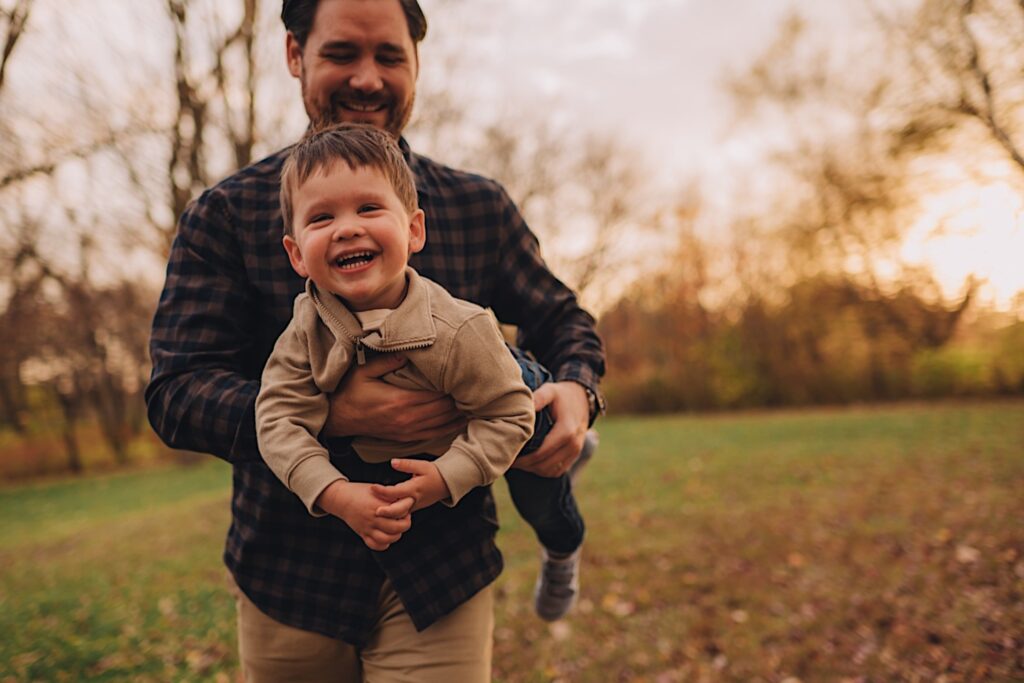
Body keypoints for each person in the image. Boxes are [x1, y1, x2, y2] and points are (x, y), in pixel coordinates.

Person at [145, 0, 605, 679]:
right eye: (341, 54)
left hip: (443, 570)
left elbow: (563, 318)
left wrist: (575, 388)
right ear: (296, 55)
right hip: (289, 573)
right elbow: (177, 390)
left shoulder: (476, 205)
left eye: (389, 56)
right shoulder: (226, 215)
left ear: (415, 66)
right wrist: (329, 413)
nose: (367, 78)